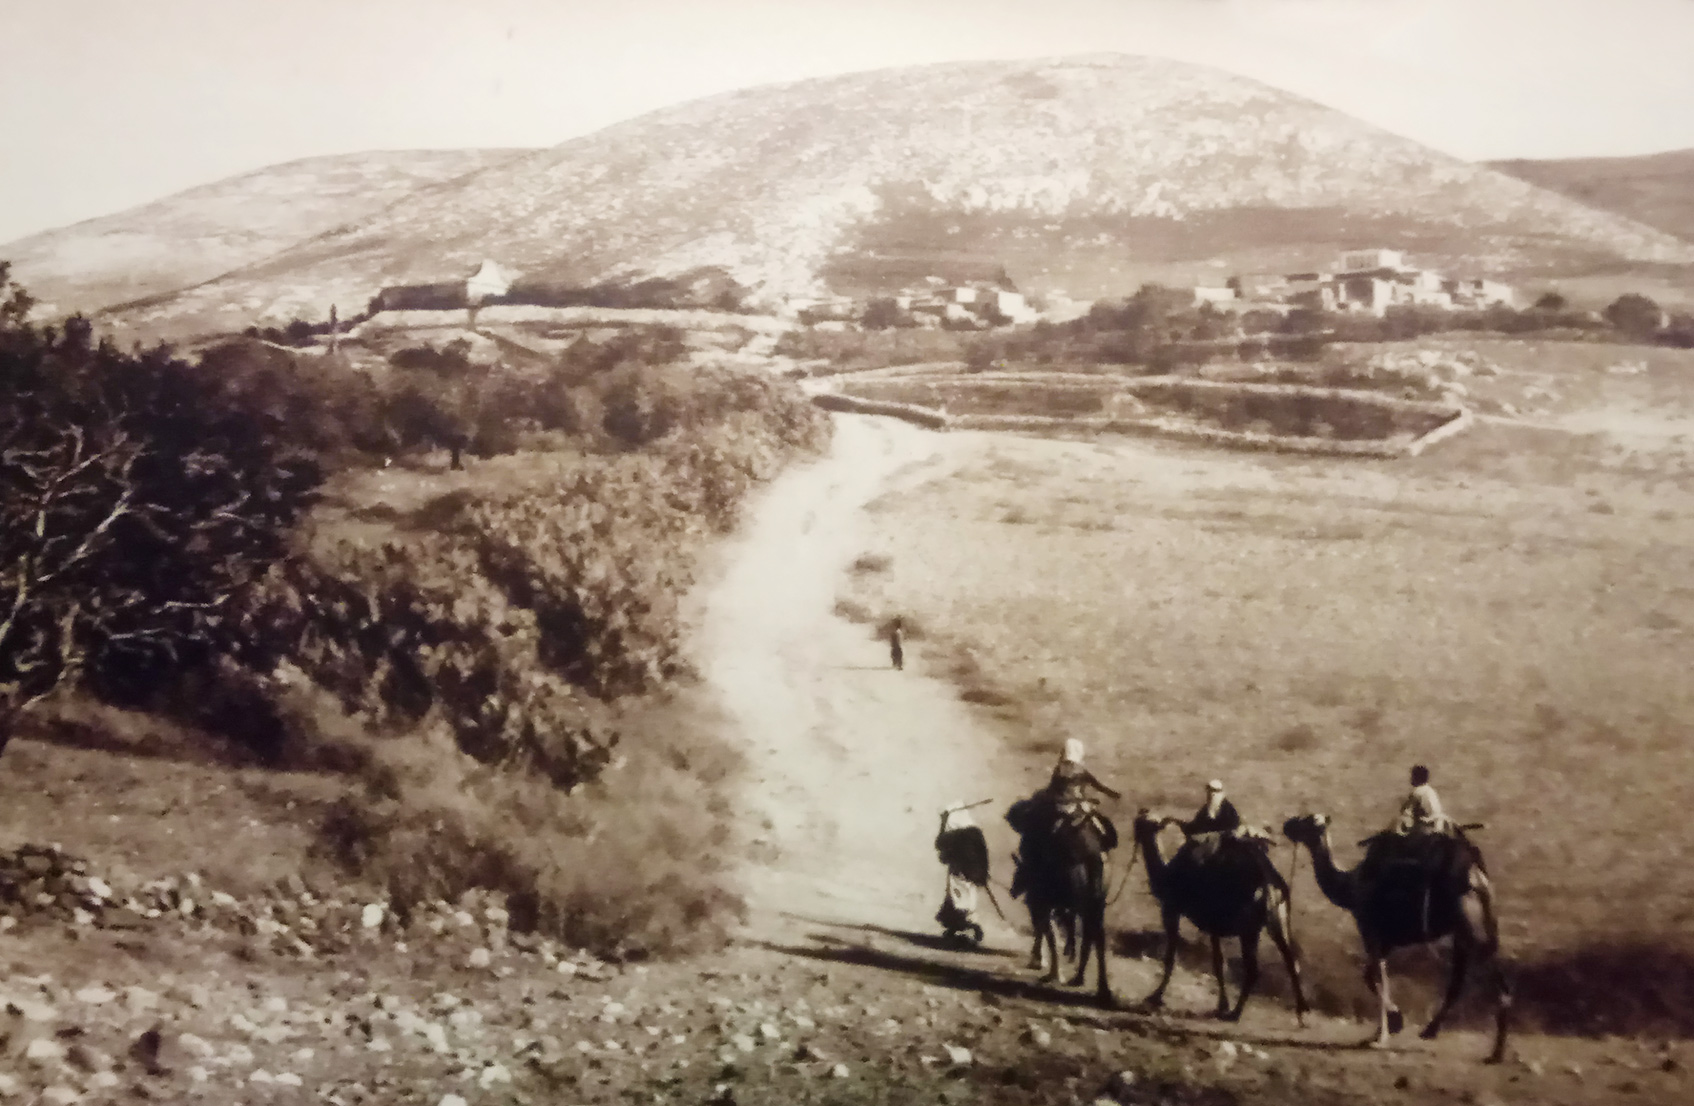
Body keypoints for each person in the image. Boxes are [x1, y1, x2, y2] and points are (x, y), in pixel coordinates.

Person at [1046, 739, 1121, 841]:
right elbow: (1053, 789)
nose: (1069, 766)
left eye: (1071, 763)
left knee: (1100, 825)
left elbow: (1097, 785)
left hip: (1077, 806)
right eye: (1067, 763)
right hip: (1069, 806)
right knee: (1053, 829)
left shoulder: (1076, 772)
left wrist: (1112, 794)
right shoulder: (1063, 773)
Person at [935, 803, 989, 939]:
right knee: (966, 900)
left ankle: (972, 926)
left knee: (957, 900)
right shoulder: (976, 833)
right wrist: (983, 873)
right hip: (972, 874)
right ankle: (959, 927)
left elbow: (939, 843)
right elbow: (984, 855)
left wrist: (942, 821)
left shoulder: (955, 834)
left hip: (959, 873)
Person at [1393, 765, 1450, 836]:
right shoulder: (1430, 791)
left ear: (1416, 778)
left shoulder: (1417, 792)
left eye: (1413, 776)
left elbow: (1406, 814)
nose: (1411, 779)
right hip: (1439, 826)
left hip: (1425, 830)